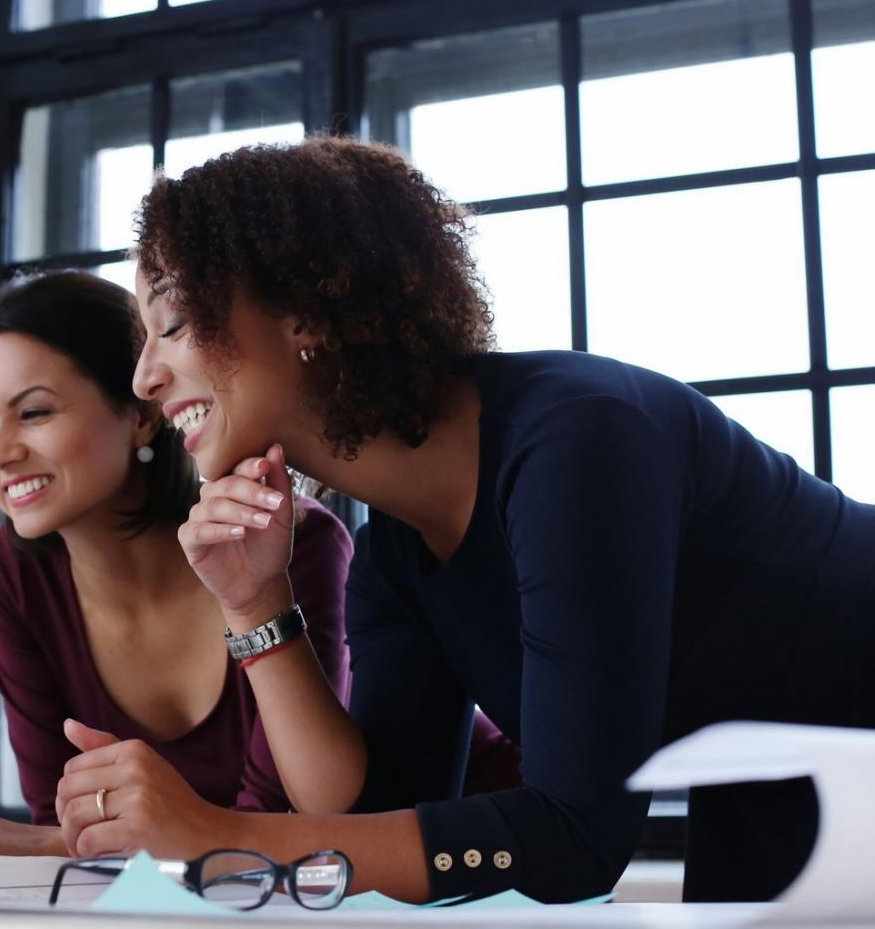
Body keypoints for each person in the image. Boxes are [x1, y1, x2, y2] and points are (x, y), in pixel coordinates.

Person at [51, 137, 875, 903]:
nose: (145, 376)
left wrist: (219, 836)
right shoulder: (396, 558)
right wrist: (254, 607)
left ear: (303, 309)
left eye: (174, 324)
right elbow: (372, 824)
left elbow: (575, 840)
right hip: (787, 812)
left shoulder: (577, 440)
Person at [0, 270, 367, 855]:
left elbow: (277, 823)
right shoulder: (13, 572)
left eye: (34, 413)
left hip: (359, 878)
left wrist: (33, 842)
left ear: (141, 413)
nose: (0, 454)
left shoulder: (282, 539)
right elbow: (64, 819)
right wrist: (42, 840)